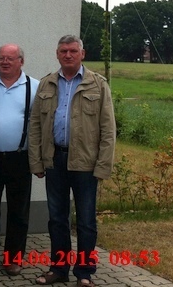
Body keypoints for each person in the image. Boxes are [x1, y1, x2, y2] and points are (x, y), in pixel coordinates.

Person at [28, 35, 115, 287]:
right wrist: (36, 162)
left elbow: (108, 129)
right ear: (57, 54)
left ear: (82, 54)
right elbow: (35, 125)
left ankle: (85, 273)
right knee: (57, 219)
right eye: (63, 51)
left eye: (73, 51)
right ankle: (59, 268)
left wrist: (103, 166)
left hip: (86, 164)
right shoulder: (47, 84)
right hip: (54, 160)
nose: (68, 55)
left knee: (86, 220)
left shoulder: (98, 85)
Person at [0, 43, 39, 276]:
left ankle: (13, 259)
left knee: (18, 212)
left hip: (19, 158)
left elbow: (40, 125)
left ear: (21, 61)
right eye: (1, 58)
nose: (4, 62)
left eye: (10, 58)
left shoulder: (33, 87)